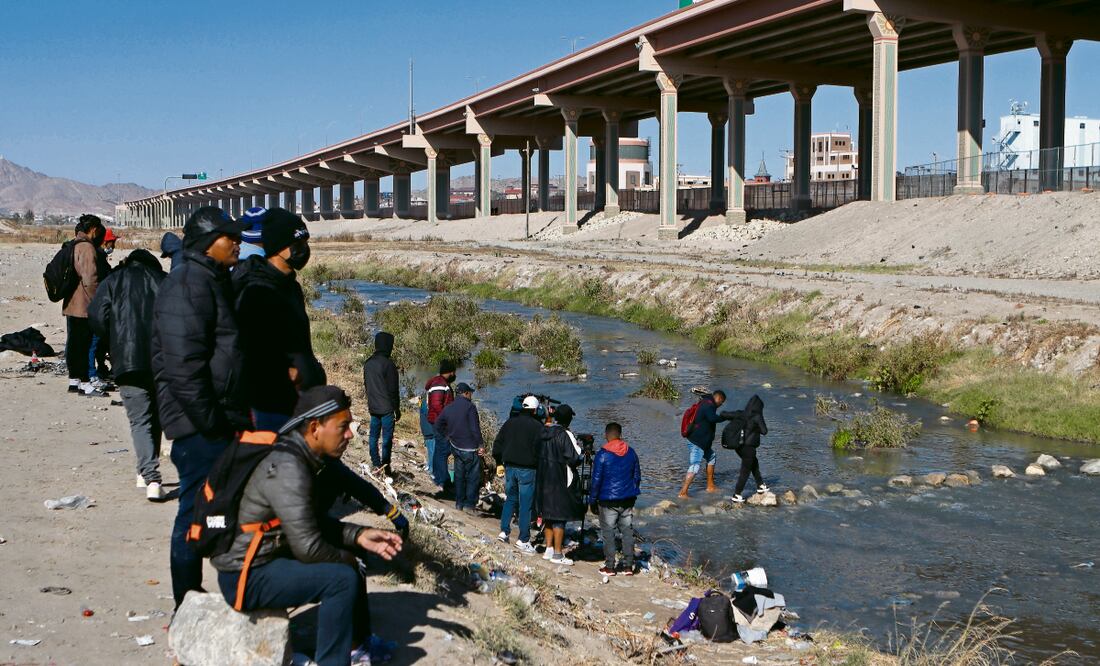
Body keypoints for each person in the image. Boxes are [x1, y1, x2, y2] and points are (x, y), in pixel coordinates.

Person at [211, 386, 403, 666]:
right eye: (343, 426)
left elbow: (307, 525)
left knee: (352, 558)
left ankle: (355, 646)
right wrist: (346, 558)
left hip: (263, 559)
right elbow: (308, 547)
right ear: (315, 428)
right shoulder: (290, 467)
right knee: (342, 578)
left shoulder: (300, 456)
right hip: (246, 575)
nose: (350, 433)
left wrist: (358, 535)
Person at [152, 205, 251, 608]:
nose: (238, 244)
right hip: (199, 424)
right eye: (231, 238)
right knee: (193, 512)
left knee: (211, 511)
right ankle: (186, 603)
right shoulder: (189, 283)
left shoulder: (208, 278)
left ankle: (204, 599)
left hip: (214, 417)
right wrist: (211, 423)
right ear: (210, 242)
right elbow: (182, 366)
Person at [233, 208, 324, 431]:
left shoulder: (291, 287)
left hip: (299, 401)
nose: (304, 250)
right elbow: (249, 348)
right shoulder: (255, 288)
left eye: (306, 242)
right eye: (297, 244)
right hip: (271, 407)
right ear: (277, 247)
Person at [88, 249, 167, 500]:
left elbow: (96, 315)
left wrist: (113, 339)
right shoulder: (163, 280)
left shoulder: (113, 281)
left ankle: (148, 474)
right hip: (161, 360)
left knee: (139, 419)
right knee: (155, 417)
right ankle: (147, 472)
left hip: (127, 359)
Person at [588, 422, 641, 577]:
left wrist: (592, 500)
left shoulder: (602, 454)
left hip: (607, 500)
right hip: (627, 499)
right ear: (620, 434)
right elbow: (637, 476)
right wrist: (632, 492)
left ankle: (610, 567)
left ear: (606, 435)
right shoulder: (631, 452)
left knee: (608, 533)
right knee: (627, 532)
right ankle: (628, 566)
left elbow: (596, 480)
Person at [492, 395, 544, 554]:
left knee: (510, 499)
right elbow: (541, 450)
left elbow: (498, 444)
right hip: (528, 469)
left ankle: (504, 531)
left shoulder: (510, 423)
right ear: (535, 410)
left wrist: (499, 462)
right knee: (526, 504)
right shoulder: (538, 427)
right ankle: (523, 539)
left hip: (510, 467)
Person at [62, 214, 105, 396]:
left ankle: (75, 382)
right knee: (84, 345)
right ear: (93, 229)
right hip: (84, 305)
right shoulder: (87, 248)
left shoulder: (72, 245)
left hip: (71, 303)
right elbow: (90, 279)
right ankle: (85, 384)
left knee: (74, 344)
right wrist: (98, 303)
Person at [536, 404, 583, 566]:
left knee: (548, 513)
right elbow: (574, 458)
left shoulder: (544, 431)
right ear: (568, 419)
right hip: (560, 478)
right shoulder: (565, 434)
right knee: (560, 517)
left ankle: (548, 549)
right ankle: (558, 554)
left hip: (544, 477)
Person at [433, 382, 482, 514]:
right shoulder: (470, 407)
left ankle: (459, 503)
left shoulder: (449, 407)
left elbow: (438, 424)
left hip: (455, 446)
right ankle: (469, 504)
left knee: (459, 476)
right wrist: (481, 445)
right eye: (470, 392)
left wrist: (447, 435)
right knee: (472, 476)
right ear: (466, 393)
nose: (471, 395)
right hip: (470, 448)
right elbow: (475, 428)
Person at [678, 389, 729, 498]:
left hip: (702, 442)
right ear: (719, 398)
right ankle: (683, 492)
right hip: (697, 442)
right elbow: (712, 418)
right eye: (722, 402)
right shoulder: (709, 405)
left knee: (711, 457)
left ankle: (710, 486)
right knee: (695, 465)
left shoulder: (705, 402)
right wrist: (725, 417)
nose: (721, 405)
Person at [362, 331, 400, 475]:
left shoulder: (368, 363)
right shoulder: (388, 364)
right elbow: (393, 390)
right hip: (387, 408)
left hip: (373, 407)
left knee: (373, 437)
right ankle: (386, 465)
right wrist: (397, 409)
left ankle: (376, 463)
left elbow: (367, 385)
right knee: (386, 439)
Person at [87, 227, 116, 390]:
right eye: (113, 242)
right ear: (106, 241)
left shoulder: (99, 256)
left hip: (98, 305)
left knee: (99, 342)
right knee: (94, 342)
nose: (114, 246)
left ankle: (100, 369)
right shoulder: (98, 257)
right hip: (98, 306)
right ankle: (91, 374)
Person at [729, 395, 769, 503]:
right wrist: (757, 427)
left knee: (754, 464)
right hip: (749, 447)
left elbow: (726, 415)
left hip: (738, 446)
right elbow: (764, 431)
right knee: (745, 471)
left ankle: (760, 485)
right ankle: (737, 494)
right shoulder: (757, 416)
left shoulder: (743, 413)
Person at [425, 359, 456, 485]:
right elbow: (436, 404)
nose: (454, 375)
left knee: (440, 450)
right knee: (443, 450)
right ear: (449, 372)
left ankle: (440, 477)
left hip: (438, 421)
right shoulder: (439, 384)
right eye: (453, 372)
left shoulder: (441, 383)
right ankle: (442, 479)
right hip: (440, 423)